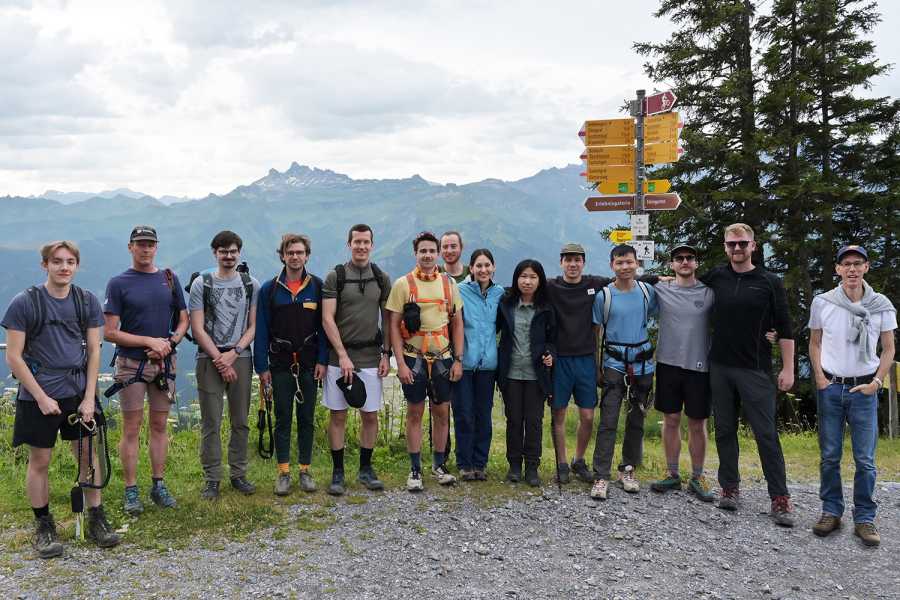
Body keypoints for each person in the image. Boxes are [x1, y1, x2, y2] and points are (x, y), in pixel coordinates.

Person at [3, 241, 121, 558]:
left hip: (77, 391)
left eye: (70, 261)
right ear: (45, 265)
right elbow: (14, 357)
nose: (64, 267)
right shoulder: (24, 303)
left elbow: (95, 350)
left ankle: (96, 517)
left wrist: (88, 398)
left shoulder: (86, 301)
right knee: (39, 461)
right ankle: (43, 524)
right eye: (57, 262)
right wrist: (40, 397)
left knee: (86, 454)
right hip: (37, 393)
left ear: (77, 265)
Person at [700, 223, 795, 527]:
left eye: (742, 244)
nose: (737, 249)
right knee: (725, 430)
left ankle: (779, 498)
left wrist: (789, 368)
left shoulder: (769, 282)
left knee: (766, 434)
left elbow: (786, 327)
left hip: (756, 369)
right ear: (725, 247)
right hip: (720, 366)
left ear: (753, 246)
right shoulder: (716, 276)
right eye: (731, 244)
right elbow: (685, 285)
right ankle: (730, 488)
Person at [809, 245, 896, 547]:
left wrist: (877, 381)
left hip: (864, 390)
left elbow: (889, 348)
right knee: (830, 456)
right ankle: (831, 511)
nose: (852, 269)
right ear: (837, 269)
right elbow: (815, 342)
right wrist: (820, 378)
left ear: (867, 268)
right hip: (832, 386)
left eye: (858, 263)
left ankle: (865, 518)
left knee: (865, 459)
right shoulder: (823, 303)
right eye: (846, 264)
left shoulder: (881, 305)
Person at [103, 226, 189, 515]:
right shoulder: (118, 283)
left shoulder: (169, 278)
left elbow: (183, 319)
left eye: (150, 244)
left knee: (159, 425)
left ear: (157, 246)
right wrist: (149, 342)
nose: (145, 248)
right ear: (130, 247)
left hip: (164, 362)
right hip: (130, 363)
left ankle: (158, 484)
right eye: (140, 244)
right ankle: (130, 490)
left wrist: (169, 343)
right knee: (131, 427)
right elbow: (110, 332)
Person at [386, 231, 464, 491]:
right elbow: (393, 326)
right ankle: (415, 469)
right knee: (415, 412)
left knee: (442, 412)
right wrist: (400, 363)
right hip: (413, 357)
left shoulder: (448, 284)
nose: (428, 255)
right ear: (416, 254)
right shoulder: (403, 284)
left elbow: (457, 323)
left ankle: (439, 466)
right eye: (423, 251)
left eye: (432, 250)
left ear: (438, 253)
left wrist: (458, 359)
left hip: (442, 357)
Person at [189, 231, 260, 500]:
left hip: (240, 356)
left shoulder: (250, 284)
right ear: (215, 253)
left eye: (232, 251)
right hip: (209, 358)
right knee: (211, 421)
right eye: (223, 251)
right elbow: (197, 328)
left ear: (239, 252)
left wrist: (235, 352)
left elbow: (253, 325)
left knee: (240, 420)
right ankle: (212, 478)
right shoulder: (201, 284)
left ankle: (239, 474)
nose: (228, 256)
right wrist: (221, 359)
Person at [254, 233, 327, 496]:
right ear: (282, 256)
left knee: (307, 419)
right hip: (280, 364)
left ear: (307, 255)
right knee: (283, 418)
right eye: (290, 252)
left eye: (299, 252)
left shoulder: (317, 287)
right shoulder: (269, 289)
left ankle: (305, 470)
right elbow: (261, 329)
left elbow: (324, 327)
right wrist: (261, 366)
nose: (295, 257)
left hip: (308, 363)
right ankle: (284, 472)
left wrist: (323, 360)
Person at [321, 224, 392, 495]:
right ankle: (338, 472)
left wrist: (386, 353)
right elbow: (327, 318)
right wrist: (341, 355)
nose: (361, 247)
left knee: (370, 415)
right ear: (348, 244)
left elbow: (387, 318)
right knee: (337, 415)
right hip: (339, 358)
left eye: (366, 242)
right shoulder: (335, 277)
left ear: (372, 245)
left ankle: (365, 469)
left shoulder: (381, 277)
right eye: (357, 242)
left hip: (371, 357)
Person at [546, 242, 619, 484]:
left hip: (586, 360)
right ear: (561, 262)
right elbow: (523, 284)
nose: (573, 264)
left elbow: (623, 277)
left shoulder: (594, 284)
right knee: (559, 414)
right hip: (560, 360)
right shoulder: (552, 286)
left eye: (577, 259)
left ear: (583, 262)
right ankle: (562, 463)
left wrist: (658, 278)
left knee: (587, 416)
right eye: (568, 259)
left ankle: (579, 460)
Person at [590, 244, 658, 499]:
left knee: (636, 419)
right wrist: (597, 366)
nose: (625, 267)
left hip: (642, 363)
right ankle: (601, 475)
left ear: (637, 263)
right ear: (612, 266)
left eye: (629, 262)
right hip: (613, 363)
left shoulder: (646, 291)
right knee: (608, 420)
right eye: (619, 263)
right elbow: (596, 333)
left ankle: (628, 469)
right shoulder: (604, 297)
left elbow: (651, 316)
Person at [649, 244, 716, 502]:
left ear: (696, 263)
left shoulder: (709, 292)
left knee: (698, 423)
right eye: (679, 258)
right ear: (672, 264)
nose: (685, 262)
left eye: (690, 258)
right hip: (667, 363)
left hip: (699, 365)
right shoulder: (661, 288)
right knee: (671, 419)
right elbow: (631, 279)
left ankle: (697, 476)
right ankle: (672, 473)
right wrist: (654, 277)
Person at [497, 259, 556, 487]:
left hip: (536, 374)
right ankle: (514, 466)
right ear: (516, 279)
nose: (527, 281)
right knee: (513, 420)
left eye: (532, 277)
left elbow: (553, 339)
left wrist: (551, 353)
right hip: (510, 372)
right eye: (523, 276)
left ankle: (532, 467)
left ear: (539, 280)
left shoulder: (546, 308)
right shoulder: (506, 304)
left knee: (533, 422)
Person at [454, 249, 504, 481]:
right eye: (478, 266)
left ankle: (480, 463)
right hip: (464, 364)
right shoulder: (460, 291)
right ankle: (464, 463)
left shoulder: (500, 293)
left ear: (493, 267)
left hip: (488, 366)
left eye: (487, 265)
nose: (483, 270)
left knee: (484, 415)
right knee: (464, 414)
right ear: (471, 268)